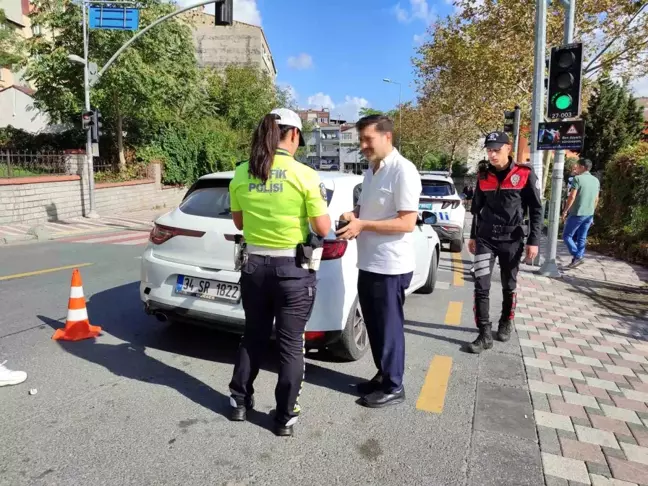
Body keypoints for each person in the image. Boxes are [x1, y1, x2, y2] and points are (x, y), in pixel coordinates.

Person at [227, 108, 331, 437]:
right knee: (290, 345)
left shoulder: (243, 172)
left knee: (253, 335)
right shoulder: (304, 175)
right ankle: (285, 416)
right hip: (292, 271)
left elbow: (239, 223)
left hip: (254, 267)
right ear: (294, 135)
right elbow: (323, 228)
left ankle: (240, 402)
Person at [336, 115, 422, 408]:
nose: (362, 146)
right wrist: (353, 214)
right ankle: (383, 375)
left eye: (367, 140)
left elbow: (407, 222)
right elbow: (370, 208)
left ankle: (395, 386)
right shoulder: (372, 170)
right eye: (360, 139)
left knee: (389, 327)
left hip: (391, 265)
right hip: (369, 261)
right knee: (374, 325)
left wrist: (363, 225)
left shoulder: (403, 171)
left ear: (387, 137)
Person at [467, 132, 542, 354]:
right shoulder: (483, 176)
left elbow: (536, 209)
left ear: (508, 149)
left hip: (512, 239)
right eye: (489, 150)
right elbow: (476, 209)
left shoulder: (524, 174)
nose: (492, 154)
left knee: (509, 286)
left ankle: (506, 321)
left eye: (496, 150)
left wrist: (533, 241)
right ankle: (484, 333)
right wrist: (472, 235)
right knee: (481, 285)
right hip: (485, 239)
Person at [562, 158, 600, 268]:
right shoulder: (596, 180)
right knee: (581, 238)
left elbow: (572, 196)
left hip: (577, 212)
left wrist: (565, 211)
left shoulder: (577, 179)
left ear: (583, 167)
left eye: (577, 166)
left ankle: (578, 256)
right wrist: (592, 214)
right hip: (589, 213)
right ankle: (577, 259)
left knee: (567, 236)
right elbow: (596, 199)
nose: (575, 168)